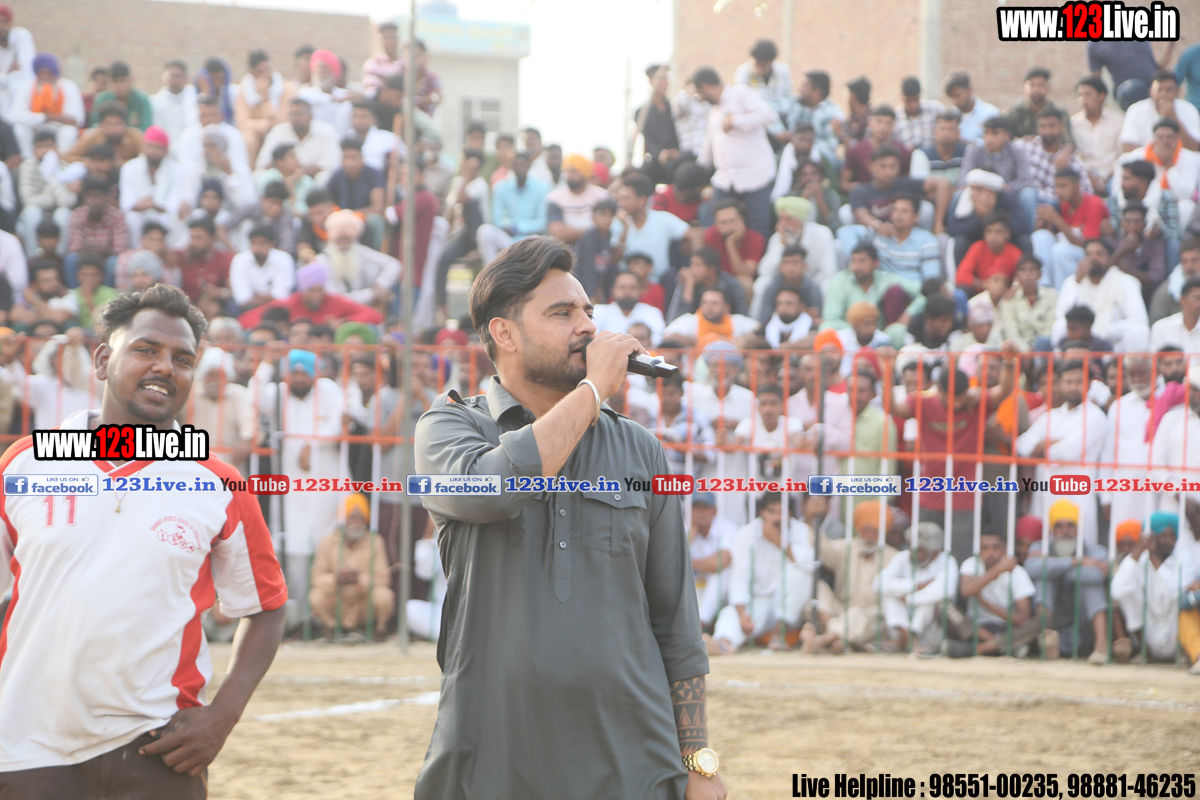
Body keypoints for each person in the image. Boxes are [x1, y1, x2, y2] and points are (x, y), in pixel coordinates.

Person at [412, 236, 725, 799]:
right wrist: (594, 389)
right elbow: (492, 491)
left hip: (634, 764)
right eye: (562, 313)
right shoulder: (450, 429)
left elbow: (676, 621)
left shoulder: (641, 450)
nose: (587, 327)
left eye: (588, 311)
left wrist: (698, 762)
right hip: (491, 760)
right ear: (504, 333)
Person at [0, 285, 286, 797]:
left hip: (159, 749)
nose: (165, 367)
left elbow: (265, 606)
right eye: (146, 349)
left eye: (183, 359)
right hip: (26, 748)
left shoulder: (218, 482)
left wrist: (222, 717)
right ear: (102, 361)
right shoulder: (24, 464)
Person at [891, 344, 1020, 563]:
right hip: (929, 496)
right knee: (922, 559)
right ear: (938, 390)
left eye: (961, 397)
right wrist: (886, 368)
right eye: (952, 398)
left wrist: (1008, 362)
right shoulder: (923, 402)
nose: (958, 403)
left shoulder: (976, 403)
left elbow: (1005, 391)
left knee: (960, 560)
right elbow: (892, 408)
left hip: (964, 499)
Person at [1016, 359, 1108, 548]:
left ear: (1089, 384)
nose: (1073, 387)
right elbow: (1021, 445)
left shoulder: (1095, 416)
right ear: (1061, 383)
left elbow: (1066, 452)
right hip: (1045, 493)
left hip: (1077, 494)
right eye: (1068, 381)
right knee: (1043, 549)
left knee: (1080, 551)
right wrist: (1054, 442)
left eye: (1078, 381)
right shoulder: (1050, 415)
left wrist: (1040, 447)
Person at [709, 492, 812, 655]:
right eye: (771, 511)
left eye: (782, 511)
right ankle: (722, 645)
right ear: (761, 512)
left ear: (790, 513)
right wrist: (742, 614)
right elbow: (739, 576)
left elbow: (808, 564)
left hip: (788, 609)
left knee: (800, 572)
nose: (777, 517)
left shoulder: (801, 530)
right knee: (730, 614)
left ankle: (778, 636)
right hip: (757, 602)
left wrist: (778, 541)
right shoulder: (746, 533)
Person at [800, 499, 899, 654]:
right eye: (866, 530)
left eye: (876, 531)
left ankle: (821, 641)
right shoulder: (846, 547)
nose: (870, 536)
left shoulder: (894, 557)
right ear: (858, 529)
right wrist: (810, 520)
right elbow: (822, 548)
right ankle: (838, 639)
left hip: (871, 617)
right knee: (818, 587)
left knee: (857, 615)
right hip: (839, 610)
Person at [693, 66, 778, 241]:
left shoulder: (740, 93)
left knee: (758, 228)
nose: (701, 99)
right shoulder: (714, 111)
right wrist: (697, 171)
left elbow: (769, 115)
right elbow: (708, 146)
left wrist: (736, 121)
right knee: (713, 227)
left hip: (755, 176)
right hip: (725, 178)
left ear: (704, 87)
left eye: (699, 94)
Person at [1024, 499, 1111, 664]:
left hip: (1083, 627)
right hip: (1055, 623)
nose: (1065, 531)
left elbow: (1096, 576)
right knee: (1043, 580)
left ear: (1079, 528)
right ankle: (1048, 638)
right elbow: (1031, 568)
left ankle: (1101, 644)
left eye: (1071, 525)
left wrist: (1052, 565)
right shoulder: (1039, 546)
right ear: (1052, 529)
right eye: (1059, 526)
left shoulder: (1096, 551)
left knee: (1090, 585)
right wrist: (1077, 561)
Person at [1111, 511, 1197, 663]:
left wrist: (1154, 559)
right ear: (1151, 537)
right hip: (1149, 633)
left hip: (1175, 633)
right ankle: (1145, 652)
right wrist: (1136, 552)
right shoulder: (1139, 560)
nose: (1167, 540)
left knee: (1184, 598)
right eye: (1162, 535)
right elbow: (1116, 592)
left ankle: (1185, 652)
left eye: (1172, 535)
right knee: (1127, 593)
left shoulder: (1184, 559)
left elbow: (1176, 593)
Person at [309, 493, 394, 641]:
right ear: (342, 519)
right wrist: (336, 579)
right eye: (352, 517)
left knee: (384, 596)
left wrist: (359, 579)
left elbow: (384, 577)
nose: (357, 522)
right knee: (316, 596)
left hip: (363, 600)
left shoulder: (375, 541)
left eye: (361, 518)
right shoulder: (327, 542)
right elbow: (316, 578)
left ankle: (378, 631)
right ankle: (332, 630)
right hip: (338, 599)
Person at [837, 145, 950, 253]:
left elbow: (942, 183)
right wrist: (879, 226)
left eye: (892, 166)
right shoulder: (861, 190)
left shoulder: (905, 184)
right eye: (883, 166)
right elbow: (860, 214)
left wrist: (938, 224)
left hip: (906, 236)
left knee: (927, 208)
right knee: (845, 214)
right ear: (871, 166)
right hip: (873, 238)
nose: (888, 171)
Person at [949, 530, 1039, 658]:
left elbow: (1022, 618)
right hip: (975, 628)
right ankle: (1002, 646)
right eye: (984, 548)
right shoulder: (972, 563)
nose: (990, 553)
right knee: (944, 607)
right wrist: (998, 570)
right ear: (978, 550)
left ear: (1004, 549)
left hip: (1006, 628)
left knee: (1043, 620)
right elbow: (966, 590)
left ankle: (978, 649)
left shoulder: (1017, 572)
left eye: (995, 547)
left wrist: (985, 602)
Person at [1053, 239, 1149, 351]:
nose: (1093, 258)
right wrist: (1077, 283)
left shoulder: (1125, 281)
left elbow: (1139, 319)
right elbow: (1061, 315)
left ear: (1109, 259)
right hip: (1079, 343)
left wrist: (1107, 330)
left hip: (1113, 345)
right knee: (1059, 326)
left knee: (1139, 330)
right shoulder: (1073, 281)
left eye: (1099, 254)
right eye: (1088, 254)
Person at [876, 522, 959, 653]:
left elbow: (945, 591)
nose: (912, 552)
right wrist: (916, 585)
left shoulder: (947, 560)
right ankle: (911, 641)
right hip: (900, 624)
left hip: (930, 632)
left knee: (934, 601)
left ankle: (901, 641)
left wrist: (909, 598)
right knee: (890, 596)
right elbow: (878, 583)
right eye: (910, 547)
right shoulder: (902, 557)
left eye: (919, 549)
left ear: (935, 552)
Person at [822, 242, 923, 346]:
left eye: (862, 261)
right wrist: (859, 329)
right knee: (826, 327)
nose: (856, 266)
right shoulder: (840, 280)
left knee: (898, 330)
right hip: (849, 336)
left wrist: (908, 314)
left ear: (876, 263)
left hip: (878, 337)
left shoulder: (885, 279)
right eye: (853, 261)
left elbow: (923, 292)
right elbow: (831, 318)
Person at [238, 261, 384, 329]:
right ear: (302, 290)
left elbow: (374, 316)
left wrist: (343, 322)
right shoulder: (289, 303)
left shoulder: (334, 300)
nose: (316, 294)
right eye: (311, 290)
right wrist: (278, 328)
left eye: (320, 289)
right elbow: (246, 319)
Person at [1099, 356, 1154, 535]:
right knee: (1125, 540)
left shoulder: (1170, 403)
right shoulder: (1119, 406)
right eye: (1132, 375)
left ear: (1154, 371)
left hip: (1158, 490)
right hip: (1124, 491)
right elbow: (1108, 453)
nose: (1137, 380)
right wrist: (1106, 498)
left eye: (1142, 373)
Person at [1031, 169, 1111, 290]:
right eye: (1056, 186)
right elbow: (1060, 236)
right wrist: (1047, 225)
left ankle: (1062, 293)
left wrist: (1057, 220)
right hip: (1068, 254)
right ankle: (1045, 288)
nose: (1058, 191)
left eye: (1063, 186)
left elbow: (1088, 247)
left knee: (1060, 251)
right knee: (1041, 236)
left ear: (1077, 186)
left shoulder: (1094, 204)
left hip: (1093, 258)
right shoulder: (1064, 204)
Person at [612, 173, 694, 282]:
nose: (621, 203)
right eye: (620, 198)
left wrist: (693, 262)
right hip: (627, 284)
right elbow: (613, 260)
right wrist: (625, 228)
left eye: (626, 198)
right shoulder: (617, 222)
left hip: (659, 283)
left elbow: (695, 234)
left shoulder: (663, 219)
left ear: (642, 200)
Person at [475, 151, 549, 264]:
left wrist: (517, 228)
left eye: (522, 164)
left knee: (540, 240)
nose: (519, 168)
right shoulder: (500, 187)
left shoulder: (541, 188)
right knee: (484, 231)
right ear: (511, 166)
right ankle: (490, 270)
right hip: (506, 238)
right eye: (515, 164)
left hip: (530, 239)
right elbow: (496, 219)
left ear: (529, 165)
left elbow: (542, 222)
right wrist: (507, 226)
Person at [314, 209, 400, 306]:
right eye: (339, 239)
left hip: (364, 306)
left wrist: (381, 284)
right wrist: (372, 293)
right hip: (339, 309)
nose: (343, 244)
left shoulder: (359, 251)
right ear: (332, 239)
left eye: (348, 239)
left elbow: (393, 264)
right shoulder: (321, 261)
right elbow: (337, 299)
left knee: (372, 269)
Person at [118, 125, 184, 249]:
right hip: (140, 213)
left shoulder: (178, 170)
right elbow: (126, 202)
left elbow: (175, 202)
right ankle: (136, 251)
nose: (153, 151)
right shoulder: (129, 168)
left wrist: (155, 205)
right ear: (143, 147)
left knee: (177, 217)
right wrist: (140, 205)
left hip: (164, 214)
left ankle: (168, 251)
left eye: (158, 147)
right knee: (131, 218)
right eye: (150, 146)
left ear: (166, 149)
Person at [756, 196, 838, 294]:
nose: (783, 224)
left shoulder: (822, 233)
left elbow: (828, 272)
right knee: (761, 283)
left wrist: (806, 289)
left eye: (789, 219)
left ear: (801, 219)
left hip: (813, 288)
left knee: (828, 285)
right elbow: (765, 272)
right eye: (781, 219)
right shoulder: (778, 237)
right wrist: (781, 244)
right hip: (784, 289)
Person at [10, 53, 82, 157]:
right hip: (36, 125)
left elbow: (76, 119)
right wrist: (47, 117)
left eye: (49, 73)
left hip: (58, 128)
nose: (45, 77)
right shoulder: (27, 86)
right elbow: (15, 115)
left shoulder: (69, 86)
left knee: (70, 131)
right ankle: (28, 158)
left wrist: (49, 118)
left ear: (56, 73)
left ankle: (61, 159)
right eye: (40, 73)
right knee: (19, 128)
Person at [1014, 110, 1093, 204]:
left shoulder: (1072, 160)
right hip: (1027, 201)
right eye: (1042, 126)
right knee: (1028, 193)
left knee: (1053, 201)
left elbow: (1087, 192)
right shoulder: (1026, 147)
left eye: (1051, 126)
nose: (1047, 130)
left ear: (1061, 127)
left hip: (1056, 205)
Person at [255, 98, 341, 185]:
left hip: (312, 177)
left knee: (324, 177)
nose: (296, 118)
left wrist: (303, 171)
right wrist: (287, 169)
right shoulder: (278, 130)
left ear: (310, 115)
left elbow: (331, 164)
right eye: (292, 114)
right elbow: (263, 162)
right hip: (283, 176)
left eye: (300, 114)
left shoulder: (326, 130)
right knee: (257, 175)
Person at [17, 130, 75, 257]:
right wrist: (52, 198)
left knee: (64, 214)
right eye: (40, 146)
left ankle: (59, 259)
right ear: (33, 150)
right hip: (37, 212)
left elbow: (67, 202)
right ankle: (33, 258)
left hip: (57, 212)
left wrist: (50, 175)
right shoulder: (27, 166)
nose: (45, 150)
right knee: (31, 213)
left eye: (49, 146)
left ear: (56, 148)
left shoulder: (66, 167)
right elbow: (27, 200)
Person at [65, 176, 127, 287]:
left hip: (105, 260)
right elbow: (74, 247)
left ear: (106, 197)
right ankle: (75, 293)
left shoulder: (117, 216)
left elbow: (120, 250)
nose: (93, 200)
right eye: (89, 196)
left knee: (114, 262)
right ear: (84, 198)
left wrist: (102, 251)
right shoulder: (77, 215)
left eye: (97, 195)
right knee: (71, 259)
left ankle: (107, 294)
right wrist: (90, 251)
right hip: (84, 259)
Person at [326, 137, 385, 250]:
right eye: (346, 157)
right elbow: (327, 203)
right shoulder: (336, 176)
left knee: (376, 220)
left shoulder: (373, 174)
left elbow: (377, 208)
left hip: (364, 218)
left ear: (362, 158)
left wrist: (351, 215)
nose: (350, 162)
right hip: (340, 219)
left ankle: (376, 253)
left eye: (354, 157)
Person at [686, 492, 735, 628]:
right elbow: (673, 562)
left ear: (715, 510)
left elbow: (720, 562)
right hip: (696, 587)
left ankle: (700, 624)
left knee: (721, 573)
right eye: (697, 507)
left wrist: (689, 563)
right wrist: (692, 533)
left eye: (705, 507)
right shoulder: (685, 528)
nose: (701, 512)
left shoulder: (726, 526)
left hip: (724, 592)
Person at [235, 50, 292, 167]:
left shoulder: (287, 88)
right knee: (248, 138)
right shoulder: (244, 92)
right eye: (259, 72)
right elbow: (243, 123)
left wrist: (266, 100)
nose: (265, 75)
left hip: (281, 132)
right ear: (252, 74)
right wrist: (265, 124)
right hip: (259, 136)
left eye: (266, 69)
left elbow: (285, 120)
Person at [1119, 70, 1200, 152]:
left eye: (1169, 90)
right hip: (1145, 158)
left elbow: (1194, 147)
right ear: (1150, 92)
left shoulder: (1189, 109)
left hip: (1180, 157)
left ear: (1177, 92)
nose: (1163, 94)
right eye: (1159, 90)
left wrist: (1172, 116)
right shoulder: (1136, 109)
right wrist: (1156, 156)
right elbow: (1127, 145)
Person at [871, 194, 943, 285]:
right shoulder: (880, 238)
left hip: (915, 290)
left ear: (916, 217)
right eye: (895, 210)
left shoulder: (927, 240)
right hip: (884, 290)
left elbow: (931, 279)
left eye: (904, 211)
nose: (898, 215)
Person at [842, 105, 912, 192]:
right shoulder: (856, 150)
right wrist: (860, 189)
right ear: (870, 122)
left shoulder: (902, 151)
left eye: (888, 123)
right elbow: (844, 183)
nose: (883, 127)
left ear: (893, 126)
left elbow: (908, 182)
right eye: (879, 121)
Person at [1089, 40, 1175, 111]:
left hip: (1152, 85)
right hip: (1127, 91)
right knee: (1134, 89)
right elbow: (1096, 81)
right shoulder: (1096, 44)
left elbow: (1160, 65)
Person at [703, 199, 765, 296]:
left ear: (741, 219)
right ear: (716, 223)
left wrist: (730, 244)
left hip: (739, 284)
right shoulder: (710, 235)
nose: (729, 227)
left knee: (745, 284)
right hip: (718, 281)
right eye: (723, 223)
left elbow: (746, 274)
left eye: (732, 221)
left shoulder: (756, 239)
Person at [1072, 76, 1124, 191]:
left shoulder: (1118, 120)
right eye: (1080, 95)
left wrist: (1106, 177)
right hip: (1084, 175)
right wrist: (1089, 175)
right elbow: (1075, 156)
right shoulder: (1073, 124)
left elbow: (1122, 154)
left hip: (1113, 174)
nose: (1083, 99)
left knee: (1118, 189)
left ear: (1101, 96)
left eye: (1088, 94)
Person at [544, 154, 610, 244]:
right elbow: (558, 233)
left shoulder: (603, 196)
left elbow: (607, 226)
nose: (570, 175)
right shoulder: (554, 198)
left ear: (585, 173)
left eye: (574, 171)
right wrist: (594, 230)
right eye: (567, 171)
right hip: (566, 247)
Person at [670, 245, 748, 322]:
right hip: (697, 327)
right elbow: (678, 321)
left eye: (697, 265)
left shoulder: (731, 284)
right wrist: (689, 285)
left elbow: (742, 316)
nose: (691, 270)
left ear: (711, 270)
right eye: (691, 265)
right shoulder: (688, 281)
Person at [994, 256, 1057, 350]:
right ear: (1017, 275)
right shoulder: (1009, 299)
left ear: (1040, 274)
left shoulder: (1052, 295)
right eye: (1023, 270)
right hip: (1019, 349)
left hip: (1045, 348)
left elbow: (1050, 328)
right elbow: (1011, 332)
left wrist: (1036, 349)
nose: (1027, 274)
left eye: (1032, 270)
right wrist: (1026, 350)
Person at [662, 287, 758, 348]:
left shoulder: (736, 321)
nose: (709, 307)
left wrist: (733, 342)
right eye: (705, 302)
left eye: (714, 303)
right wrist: (701, 341)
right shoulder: (691, 320)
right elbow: (668, 336)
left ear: (726, 307)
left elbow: (759, 331)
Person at [230, 223, 295, 311]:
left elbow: (282, 297)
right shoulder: (240, 260)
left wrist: (254, 295)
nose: (257, 248)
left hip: (277, 311)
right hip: (248, 310)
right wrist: (270, 298)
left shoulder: (284, 258)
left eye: (262, 243)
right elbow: (242, 299)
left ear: (272, 244)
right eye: (254, 243)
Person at [635, 64, 682, 185]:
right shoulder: (642, 112)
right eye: (661, 78)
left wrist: (675, 152)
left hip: (677, 155)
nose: (665, 82)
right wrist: (660, 154)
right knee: (645, 171)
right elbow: (648, 140)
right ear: (651, 81)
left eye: (667, 78)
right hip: (657, 158)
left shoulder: (675, 107)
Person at [956, 212, 1021, 295]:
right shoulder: (977, 248)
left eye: (998, 231)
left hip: (1006, 296)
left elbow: (1022, 277)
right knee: (962, 290)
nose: (993, 236)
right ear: (984, 233)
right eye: (989, 231)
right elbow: (961, 276)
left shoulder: (1015, 253)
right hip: (980, 294)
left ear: (1007, 233)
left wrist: (1012, 290)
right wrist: (984, 284)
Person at [733, 39, 793, 128]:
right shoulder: (743, 72)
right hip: (755, 120)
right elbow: (741, 101)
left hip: (780, 115)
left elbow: (786, 97)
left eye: (764, 65)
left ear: (771, 62)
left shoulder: (783, 71)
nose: (759, 69)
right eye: (757, 64)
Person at [65, 101, 143, 167]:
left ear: (125, 124)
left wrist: (121, 164)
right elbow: (67, 156)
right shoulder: (92, 136)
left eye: (117, 124)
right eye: (108, 124)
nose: (113, 129)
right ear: (101, 125)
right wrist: (92, 163)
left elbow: (144, 160)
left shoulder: (135, 136)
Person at [1006, 67, 1073, 141]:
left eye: (1040, 85)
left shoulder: (1059, 113)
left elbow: (1068, 142)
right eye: (1031, 85)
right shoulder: (1014, 112)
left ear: (1048, 88)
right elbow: (1004, 139)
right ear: (1024, 87)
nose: (1036, 89)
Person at [150, 59, 198, 153]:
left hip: (193, 146)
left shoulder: (195, 96)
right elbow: (158, 129)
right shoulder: (155, 101)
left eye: (178, 76)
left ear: (186, 78)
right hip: (167, 149)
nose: (175, 79)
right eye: (172, 75)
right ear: (164, 77)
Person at [908, 112, 969, 186]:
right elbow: (919, 186)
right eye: (942, 129)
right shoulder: (921, 153)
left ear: (958, 132)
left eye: (951, 129)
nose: (946, 133)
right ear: (934, 130)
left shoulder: (967, 152)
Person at [89, 61, 153, 131]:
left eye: (122, 81)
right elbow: (95, 125)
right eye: (114, 82)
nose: (118, 85)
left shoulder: (142, 100)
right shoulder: (102, 99)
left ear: (130, 81)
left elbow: (146, 128)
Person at [943, 72, 1000, 145]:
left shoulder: (990, 114)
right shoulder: (951, 116)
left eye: (957, 95)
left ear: (969, 90)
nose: (954, 101)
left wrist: (968, 144)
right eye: (951, 97)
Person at [893, 76, 946, 151]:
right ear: (901, 97)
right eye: (908, 100)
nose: (912, 104)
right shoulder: (895, 116)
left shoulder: (936, 109)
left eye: (916, 99)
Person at [0, 4, 34, 115]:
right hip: (4, 105)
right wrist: (8, 73)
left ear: (11, 23)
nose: (1, 27)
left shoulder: (22, 36)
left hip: (23, 101)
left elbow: (26, 74)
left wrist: (4, 76)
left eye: (5, 21)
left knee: (15, 86)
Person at [362, 21, 403, 96]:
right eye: (385, 38)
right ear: (380, 40)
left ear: (398, 39)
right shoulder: (373, 63)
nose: (389, 41)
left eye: (392, 37)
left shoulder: (406, 62)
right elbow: (371, 91)